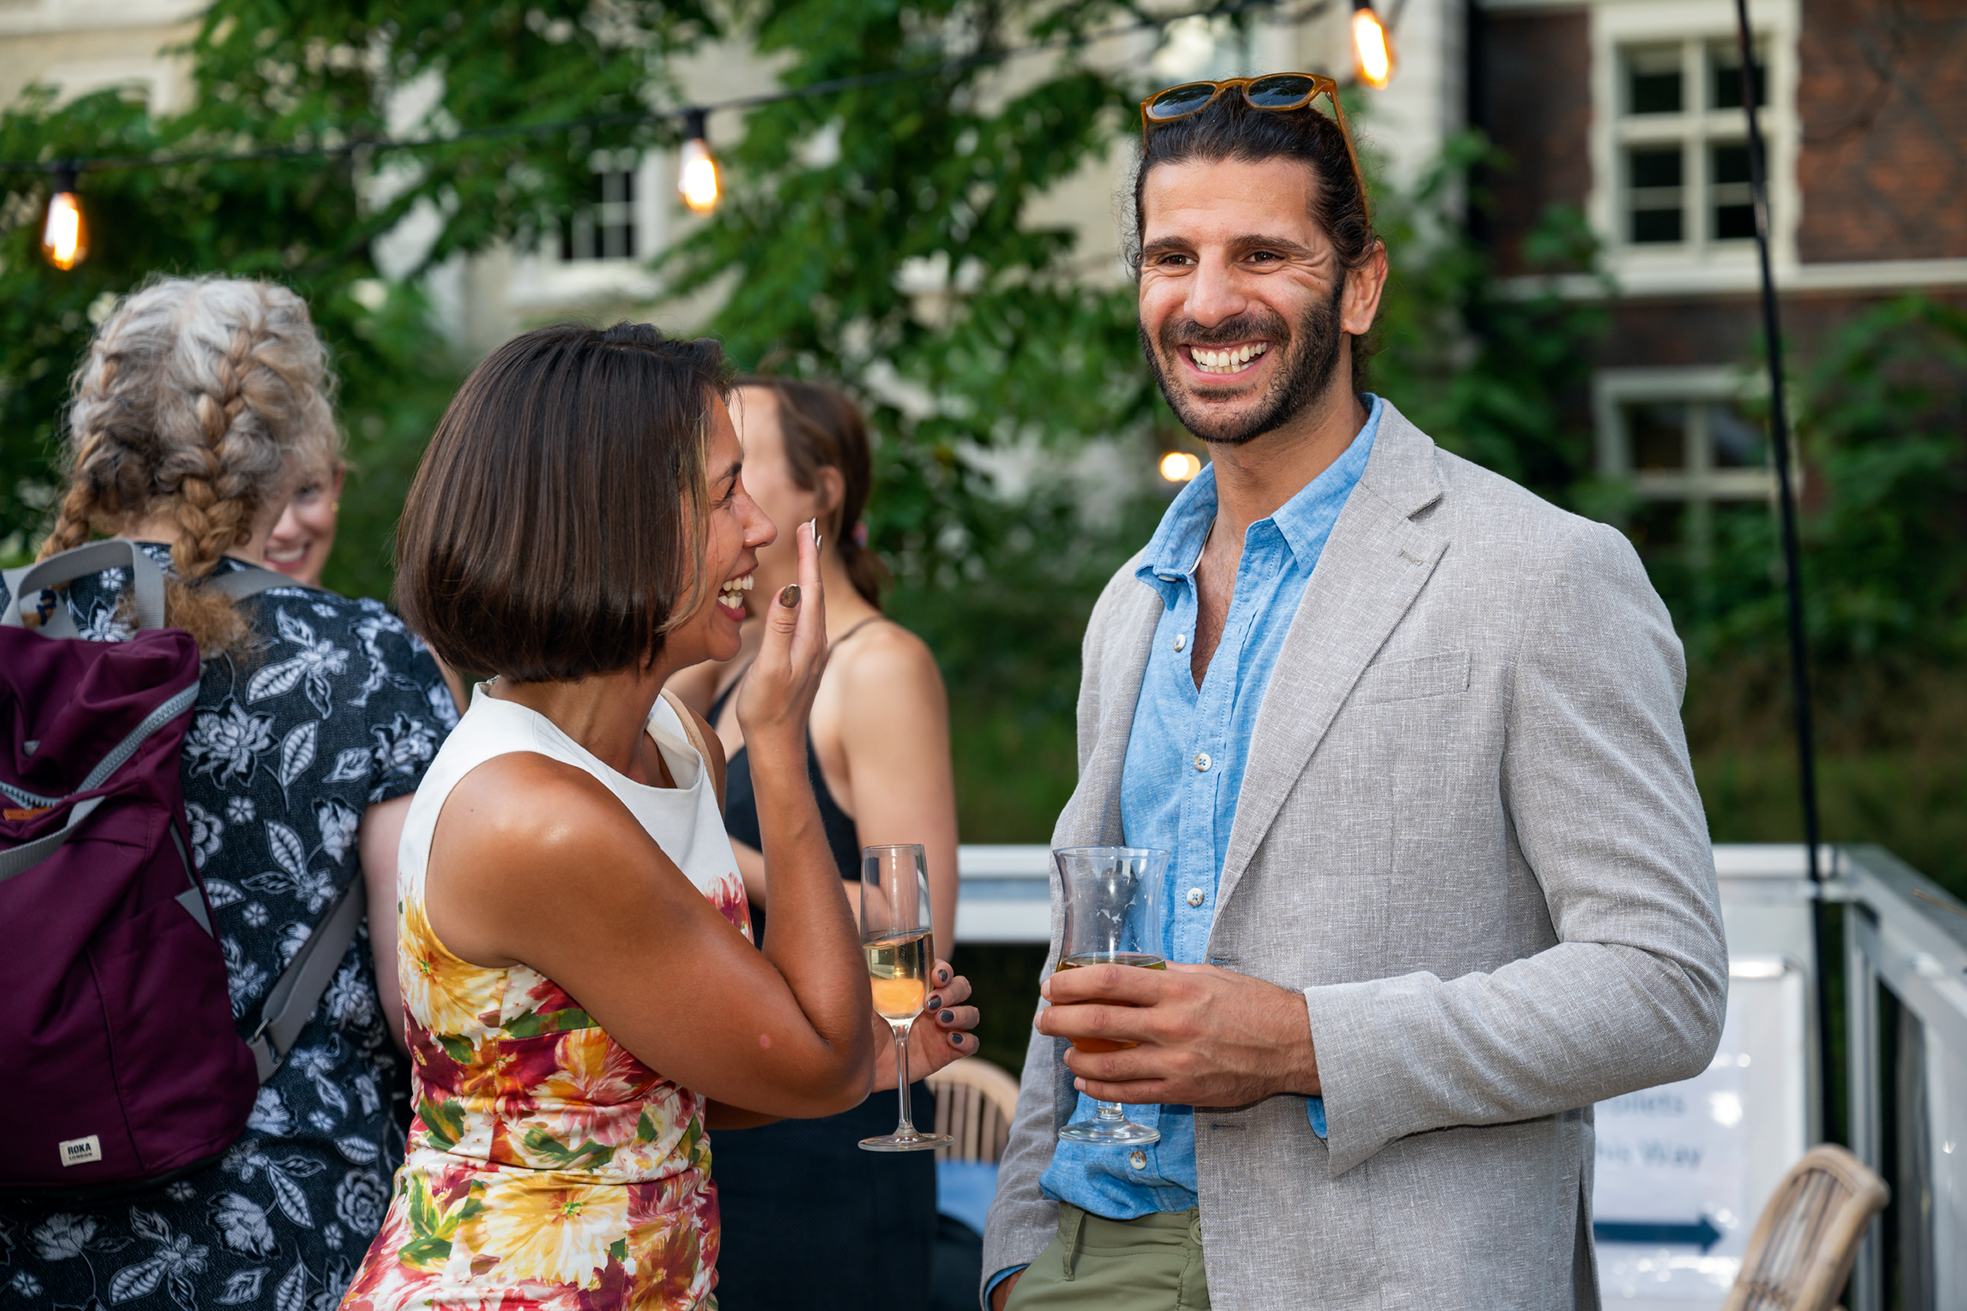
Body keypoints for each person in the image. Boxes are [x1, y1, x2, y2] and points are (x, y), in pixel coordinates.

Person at [981, 75, 1728, 1310]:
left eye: (1261, 254)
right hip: (1088, 1256)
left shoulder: (1539, 571)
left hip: (1376, 1278)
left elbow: (1662, 984)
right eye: (1170, 258)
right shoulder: (1131, 602)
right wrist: (1015, 1254)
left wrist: (1300, 1042)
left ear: (1360, 285)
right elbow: (1085, 960)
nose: (1205, 302)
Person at [338, 323, 979, 1311]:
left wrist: (869, 1056)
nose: (757, 528)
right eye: (726, 493)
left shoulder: (677, 741)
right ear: (621, 525)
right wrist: (777, 744)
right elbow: (809, 1065)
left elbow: (663, 1088)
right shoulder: (534, 817)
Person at [0, 275, 457, 1308]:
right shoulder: (366, 660)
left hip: (23, 1229)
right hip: (285, 1222)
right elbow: (423, 1001)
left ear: (100, 432)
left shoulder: (12, 637)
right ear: (293, 445)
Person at [666, 377, 961, 1308]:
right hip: (737, 1108)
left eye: (739, 469)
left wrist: (723, 852)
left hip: (837, 1133)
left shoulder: (879, 666)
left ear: (822, 492)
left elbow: (916, 917)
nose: (724, 497)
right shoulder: (727, 668)